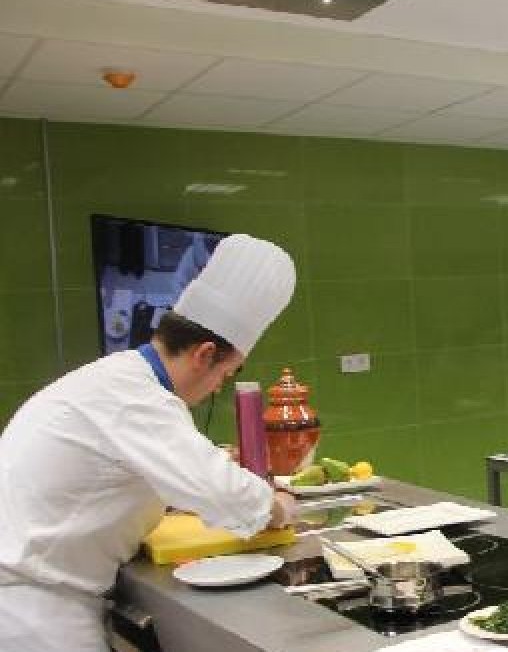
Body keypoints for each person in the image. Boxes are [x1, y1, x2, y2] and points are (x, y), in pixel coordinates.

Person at [0, 235, 299, 651]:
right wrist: (275, 506)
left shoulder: (121, 378)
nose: (217, 388)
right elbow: (221, 492)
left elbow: (132, 469)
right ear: (204, 354)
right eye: (225, 374)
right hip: (34, 614)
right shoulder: (138, 398)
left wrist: (211, 462)